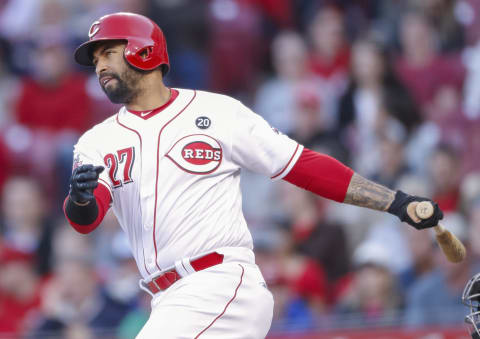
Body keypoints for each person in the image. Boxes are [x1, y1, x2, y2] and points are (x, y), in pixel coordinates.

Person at [64, 12, 444, 339]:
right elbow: (87, 218)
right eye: (95, 59)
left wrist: (396, 202)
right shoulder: (96, 141)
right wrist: (80, 198)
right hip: (167, 298)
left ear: (144, 51)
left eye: (108, 53)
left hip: (219, 282)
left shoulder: (218, 112)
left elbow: (303, 165)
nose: (99, 67)